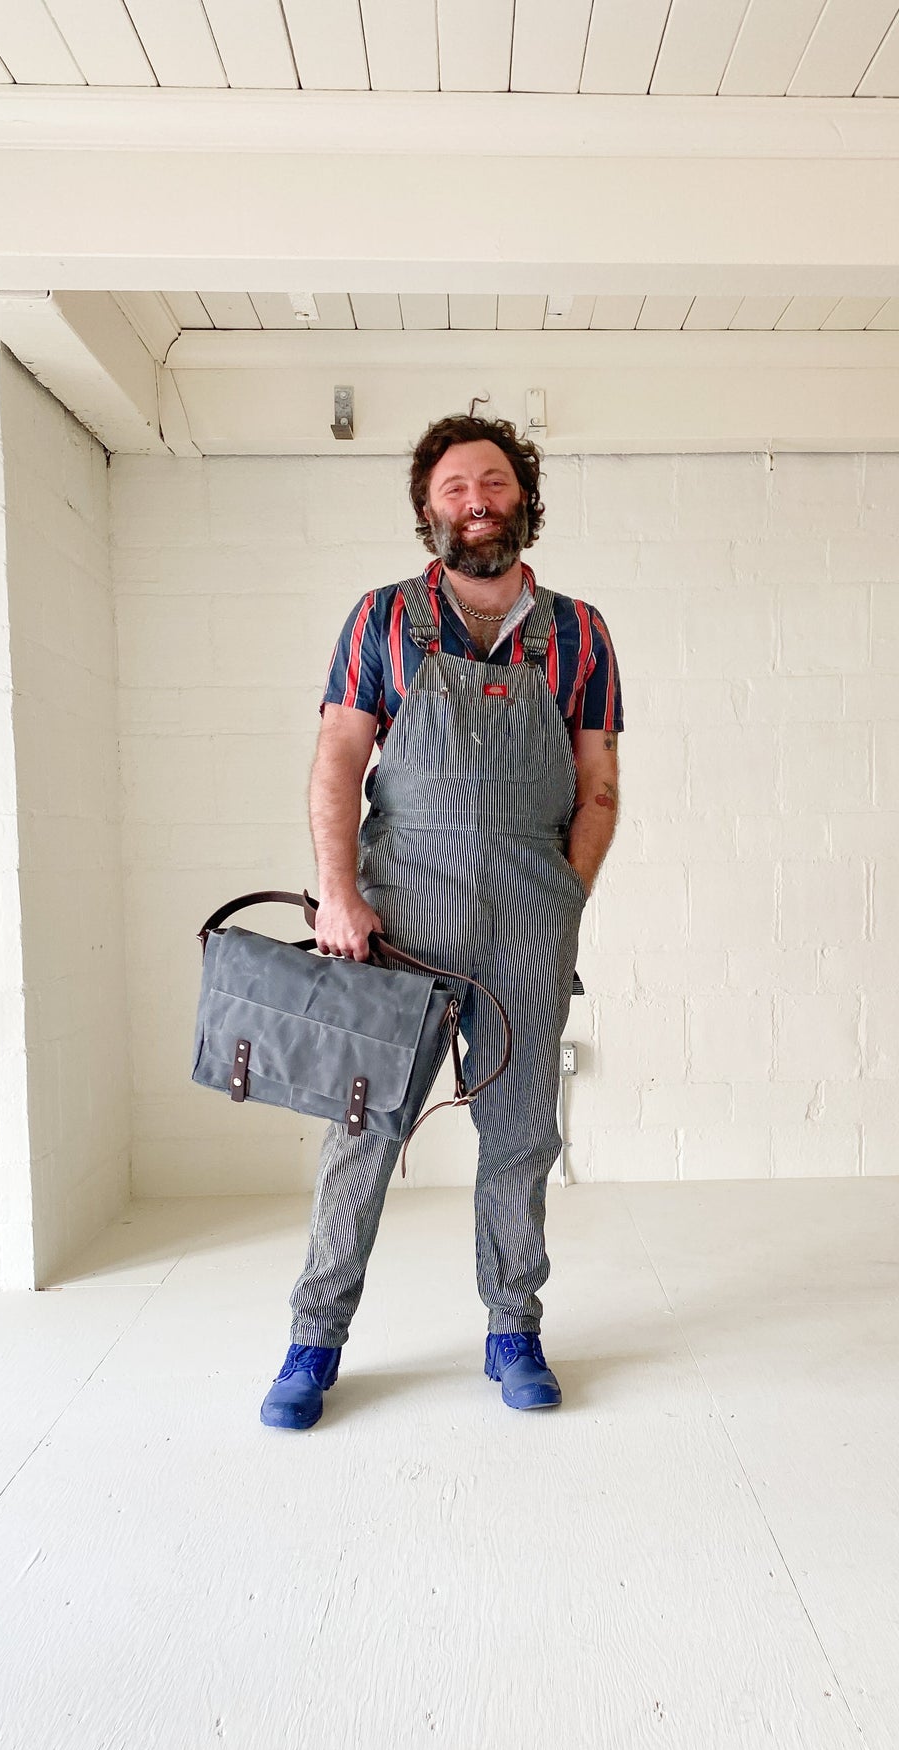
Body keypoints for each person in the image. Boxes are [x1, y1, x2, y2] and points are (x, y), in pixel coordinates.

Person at [259, 413, 623, 1431]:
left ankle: (513, 1326)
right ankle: (313, 1339)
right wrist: (337, 893)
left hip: (526, 918)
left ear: (523, 499)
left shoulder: (581, 633)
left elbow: (596, 784)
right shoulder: (380, 620)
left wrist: (563, 899)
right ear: (429, 509)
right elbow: (338, 758)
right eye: (456, 486)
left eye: (494, 483)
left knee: (518, 1139)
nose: (477, 502)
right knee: (359, 1135)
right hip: (397, 911)